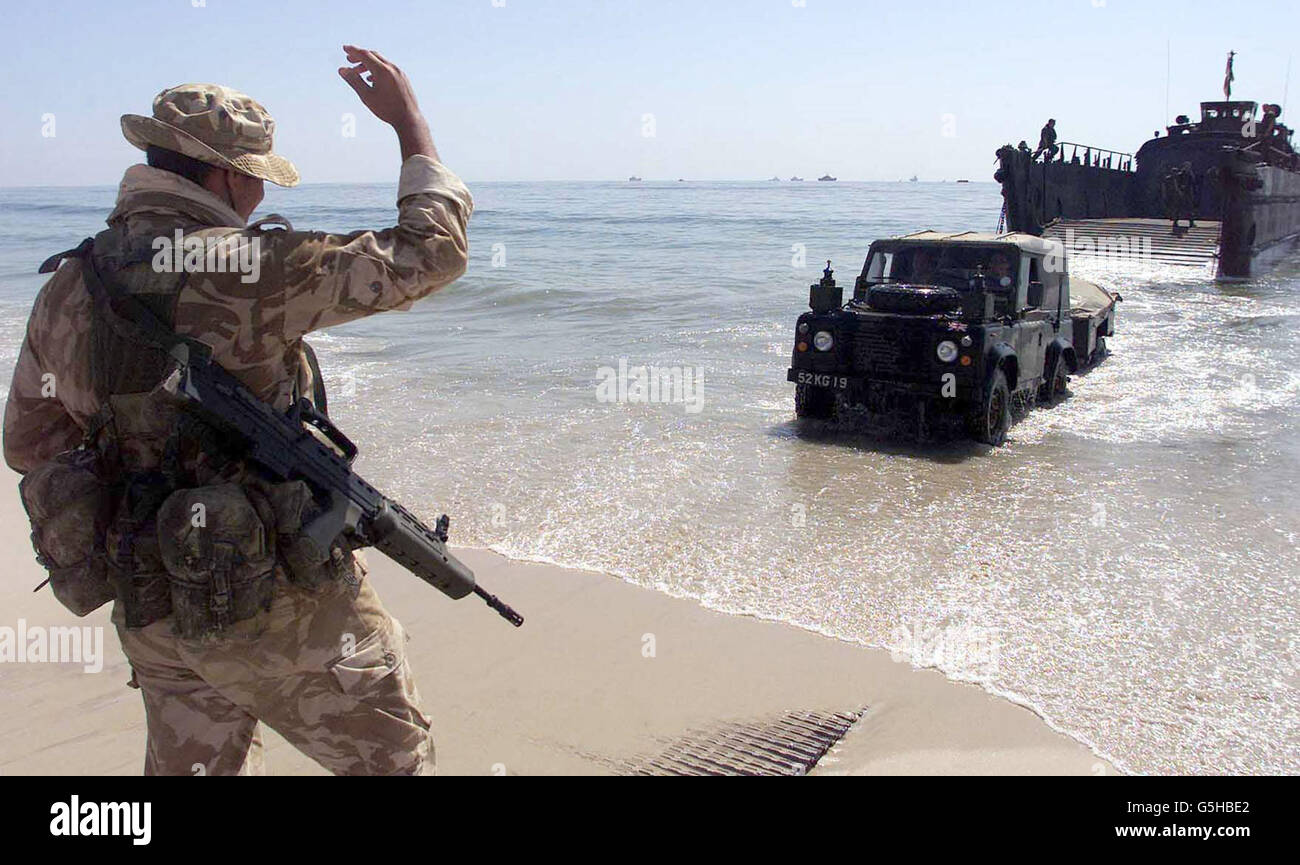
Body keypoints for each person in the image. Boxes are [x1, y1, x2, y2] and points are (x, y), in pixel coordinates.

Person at [2, 46, 473, 775]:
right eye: (253, 177)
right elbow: (431, 253)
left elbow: (29, 442)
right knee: (396, 764)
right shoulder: (248, 266)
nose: (255, 194)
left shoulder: (70, 283)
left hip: (154, 597)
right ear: (222, 175)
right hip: (284, 609)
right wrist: (411, 127)